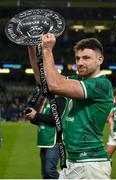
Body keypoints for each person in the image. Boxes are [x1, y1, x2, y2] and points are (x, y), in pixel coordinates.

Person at [40, 33, 114, 179]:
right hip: (73, 161)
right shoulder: (78, 79)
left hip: (91, 165)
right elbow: (45, 82)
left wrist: (48, 50)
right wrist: (31, 47)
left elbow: (54, 85)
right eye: (78, 58)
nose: (80, 62)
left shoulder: (101, 85)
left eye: (86, 58)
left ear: (100, 60)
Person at [26, 46, 67, 179]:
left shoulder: (60, 97)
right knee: (45, 174)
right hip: (45, 139)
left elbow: (55, 119)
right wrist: (32, 117)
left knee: (50, 171)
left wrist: (36, 115)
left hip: (55, 141)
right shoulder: (46, 99)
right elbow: (43, 121)